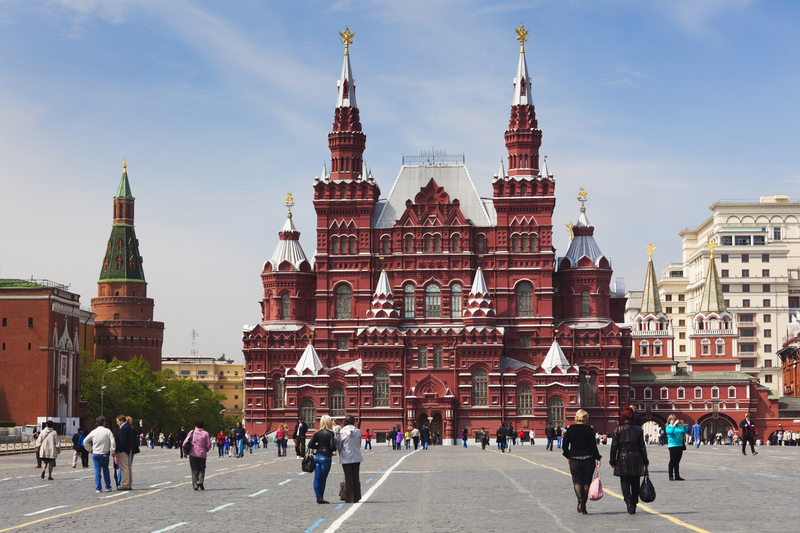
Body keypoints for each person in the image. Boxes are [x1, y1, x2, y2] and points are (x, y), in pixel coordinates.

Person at [609, 407, 649, 515]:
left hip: (622, 456)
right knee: (635, 481)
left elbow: (614, 446)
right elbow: (642, 446)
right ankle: (634, 503)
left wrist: (612, 460)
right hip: (636, 456)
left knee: (624, 481)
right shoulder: (638, 429)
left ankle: (628, 501)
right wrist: (646, 460)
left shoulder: (618, 428)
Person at [561, 409, 601, 515]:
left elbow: (564, 446)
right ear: (586, 419)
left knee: (577, 481)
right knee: (587, 482)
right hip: (588, 459)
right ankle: (584, 505)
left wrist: (568, 455)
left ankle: (579, 500)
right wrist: (598, 458)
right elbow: (593, 446)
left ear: (576, 418)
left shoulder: (570, 430)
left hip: (575, 459)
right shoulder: (589, 430)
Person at [308, 415, 337, 504]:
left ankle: (318, 497)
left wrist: (319, 447)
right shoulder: (330, 433)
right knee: (323, 479)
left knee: (317, 478)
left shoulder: (317, 433)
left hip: (317, 457)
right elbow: (332, 446)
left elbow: (310, 445)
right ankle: (321, 498)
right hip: (326, 457)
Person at [84, 416, 116, 493]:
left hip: (95, 453)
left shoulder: (93, 432)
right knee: (106, 470)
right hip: (104, 454)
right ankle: (108, 487)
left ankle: (98, 488)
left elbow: (85, 441)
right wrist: (113, 451)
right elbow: (113, 442)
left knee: (97, 471)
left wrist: (89, 449)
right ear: (104, 423)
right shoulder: (107, 431)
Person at [337, 415, 363, 503]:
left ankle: (350, 498)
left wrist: (340, 452)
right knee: (356, 476)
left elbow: (339, 444)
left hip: (346, 457)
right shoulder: (357, 431)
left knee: (348, 477)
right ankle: (357, 497)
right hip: (356, 456)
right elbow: (359, 443)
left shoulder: (342, 432)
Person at [183, 419, 212, 490]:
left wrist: (184, 451)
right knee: (202, 468)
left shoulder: (192, 432)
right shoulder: (206, 434)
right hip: (202, 454)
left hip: (193, 454)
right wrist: (206, 450)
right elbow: (209, 445)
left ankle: (195, 485)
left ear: (196, 425)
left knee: (194, 469)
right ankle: (200, 481)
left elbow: (185, 442)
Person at [115, 414, 135, 491]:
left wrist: (119, 449)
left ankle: (125, 484)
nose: (117, 423)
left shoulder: (123, 428)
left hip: (123, 451)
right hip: (128, 449)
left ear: (121, 421)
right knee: (128, 467)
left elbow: (122, 441)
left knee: (124, 468)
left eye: (117, 421)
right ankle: (129, 483)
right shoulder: (129, 427)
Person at [665, 414, 686, 480]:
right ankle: (670, 475)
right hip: (672, 446)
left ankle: (677, 475)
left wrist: (683, 425)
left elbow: (685, 431)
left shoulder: (678, 427)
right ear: (670, 421)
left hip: (680, 445)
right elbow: (670, 432)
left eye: (675, 420)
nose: (674, 421)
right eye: (673, 420)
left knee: (677, 461)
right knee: (672, 461)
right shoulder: (668, 427)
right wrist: (673, 425)